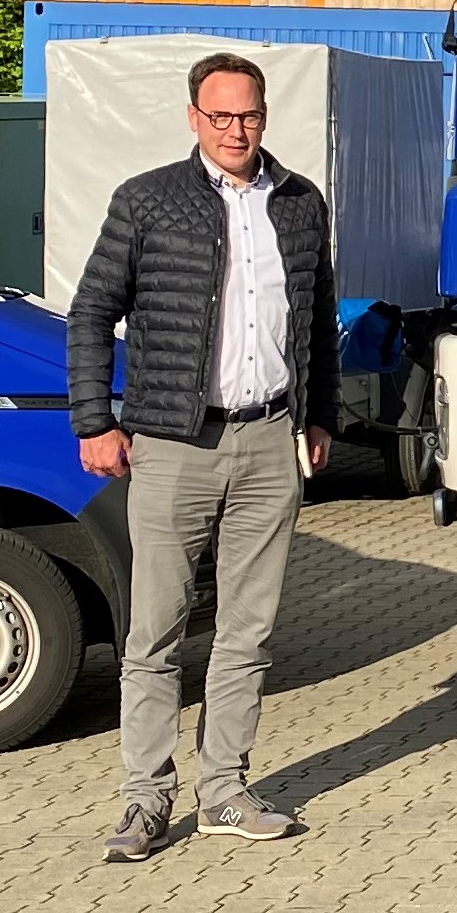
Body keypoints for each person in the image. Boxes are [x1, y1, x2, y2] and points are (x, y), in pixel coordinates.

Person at [67, 50, 337, 863]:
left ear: (264, 115)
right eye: (219, 116)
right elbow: (89, 315)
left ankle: (224, 789)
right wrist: (94, 419)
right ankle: (146, 800)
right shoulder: (148, 201)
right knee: (155, 632)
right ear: (193, 118)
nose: (236, 130)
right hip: (173, 441)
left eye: (248, 115)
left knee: (248, 630)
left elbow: (317, 318)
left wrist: (319, 414)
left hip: (267, 439)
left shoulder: (298, 203)